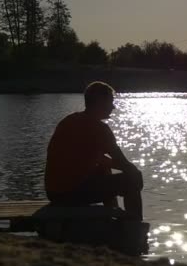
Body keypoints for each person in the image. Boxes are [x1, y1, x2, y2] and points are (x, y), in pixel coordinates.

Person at [44, 81, 143, 221]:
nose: (113, 107)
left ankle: (112, 216)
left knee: (103, 168)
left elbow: (90, 158)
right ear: (100, 102)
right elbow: (124, 164)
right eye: (111, 102)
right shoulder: (100, 129)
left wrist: (112, 165)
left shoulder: (69, 121)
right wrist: (135, 172)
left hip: (53, 192)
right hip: (70, 193)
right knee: (133, 178)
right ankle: (135, 226)